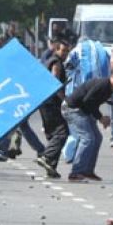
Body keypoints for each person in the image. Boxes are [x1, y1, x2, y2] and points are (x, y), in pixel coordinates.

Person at [62, 67, 113, 182]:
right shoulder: (103, 85)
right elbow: (87, 101)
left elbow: (94, 102)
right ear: (112, 78)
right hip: (72, 109)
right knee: (87, 139)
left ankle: (88, 171)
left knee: (97, 138)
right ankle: (76, 172)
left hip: (83, 110)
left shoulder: (109, 88)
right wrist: (100, 117)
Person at [35, 36, 71, 179]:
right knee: (62, 132)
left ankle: (51, 166)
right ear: (56, 50)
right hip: (50, 103)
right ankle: (46, 156)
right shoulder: (56, 62)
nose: (65, 54)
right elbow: (54, 81)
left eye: (67, 51)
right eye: (63, 51)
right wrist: (65, 100)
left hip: (45, 102)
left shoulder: (49, 61)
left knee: (52, 134)